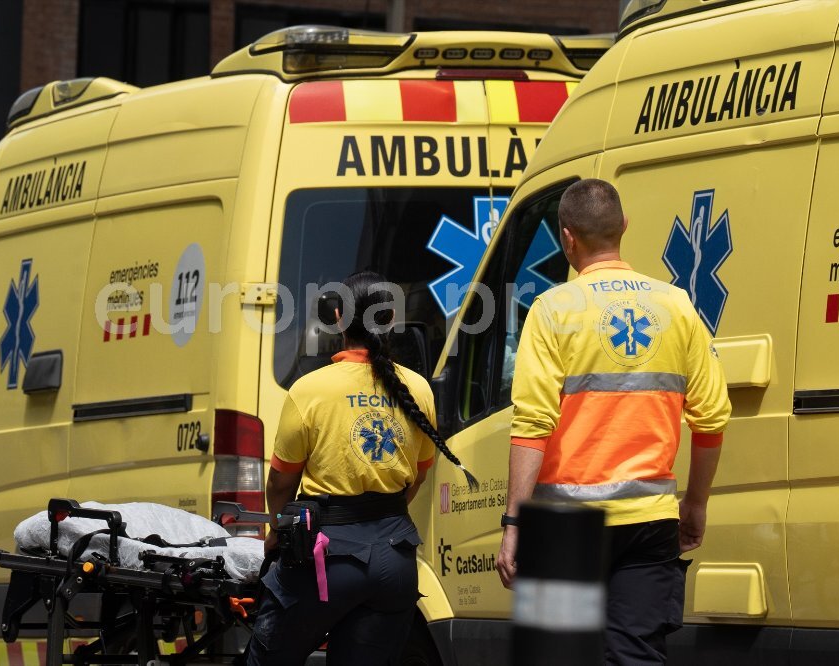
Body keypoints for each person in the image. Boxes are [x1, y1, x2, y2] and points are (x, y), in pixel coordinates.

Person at [495, 179, 731, 664]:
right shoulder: (676, 304)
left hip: (564, 526)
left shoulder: (552, 310)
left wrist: (514, 522)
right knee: (635, 655)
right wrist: (696, 503)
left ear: (567, 237)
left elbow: (533, 425)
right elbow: (711, 417)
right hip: (650, 521)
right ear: (624, 225)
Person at [247, 270, 479, 666]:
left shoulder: (310, 390)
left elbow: (281, 481)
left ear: (338, 317)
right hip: (394, 561)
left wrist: (276, 531)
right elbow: (418, 474)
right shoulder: (417, 389)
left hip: (324, 559)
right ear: (391, 319)